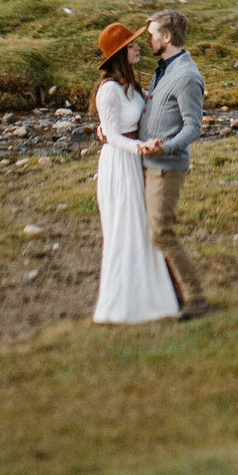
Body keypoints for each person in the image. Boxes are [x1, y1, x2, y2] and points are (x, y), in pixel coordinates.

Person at [89, 23, 179, 325]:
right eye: (131, 45)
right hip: (120, 164)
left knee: (143, 226)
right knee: (125, 228)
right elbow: (112, 136)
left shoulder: (133, 87)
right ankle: (122, 304)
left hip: (137, 161)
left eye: (136, 43)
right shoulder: (109, 90)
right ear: (118, 54)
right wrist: (140, 147)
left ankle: (154, 296)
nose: (138, 47)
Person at [134, 8, 212, 320]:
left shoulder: (187, 76)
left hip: (167, 166)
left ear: (167, 38)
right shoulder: (164, 68)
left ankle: (195, 298)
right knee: (152, 230)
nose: (147, 40)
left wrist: (164, 147)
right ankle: (169, 294)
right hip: (150, 163)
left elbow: (194, 126)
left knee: (162, 232)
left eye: (151, 34)